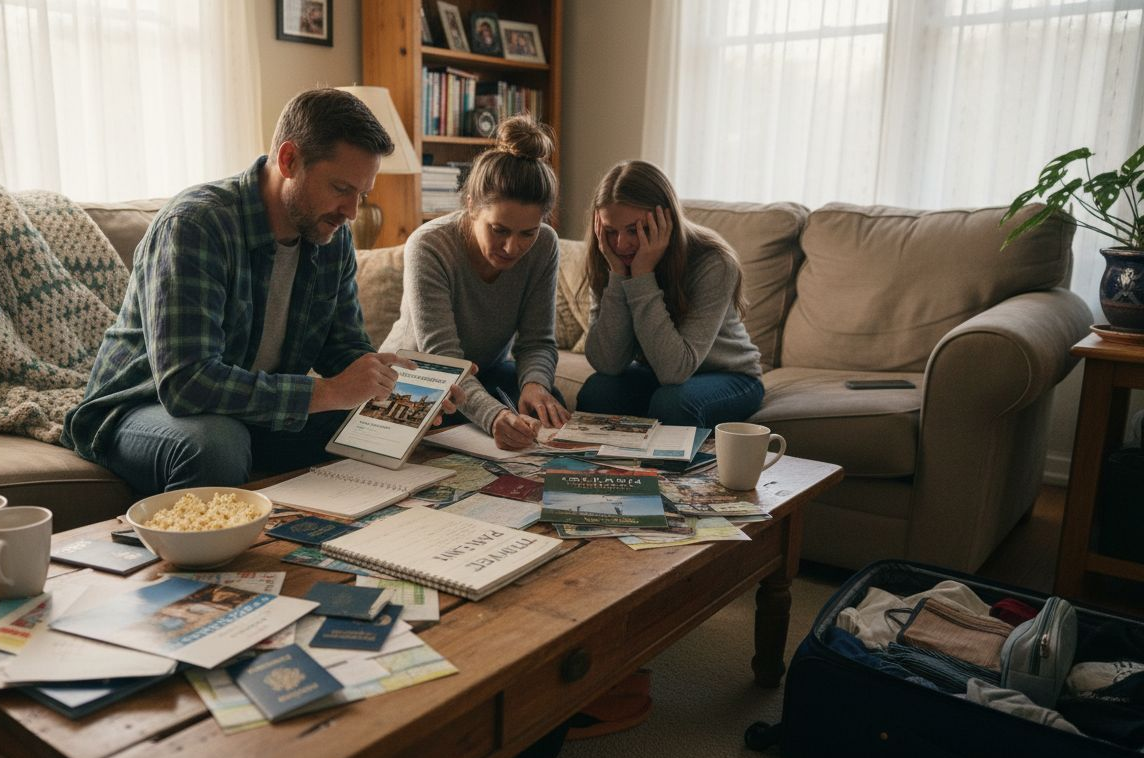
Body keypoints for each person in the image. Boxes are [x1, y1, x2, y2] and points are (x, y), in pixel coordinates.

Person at [62, 88, 459, 495]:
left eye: (362, 195)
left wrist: (394, 384)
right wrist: (326, 392)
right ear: (289, 160)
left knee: (386, 426)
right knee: (216, 446)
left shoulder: (330, 235)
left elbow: (342, 349)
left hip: (250, 410)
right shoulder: (196, 226)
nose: (352, 212)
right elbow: (187, 383)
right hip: (141, 407)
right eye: (341, 188)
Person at [379, 115, 568, 450]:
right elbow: (443, 359)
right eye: (499, 230)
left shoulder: (546, 246)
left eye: (528, 233)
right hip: (419, 377)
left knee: (546, 403)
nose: (513, 248)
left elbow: (538, 340)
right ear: (471, 206)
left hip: (487, 373)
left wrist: (536, 384)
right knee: (454, 414)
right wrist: (494, 416)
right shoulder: (430, 246)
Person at [577, 160, 763, 427]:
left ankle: (661, 470)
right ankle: (601, 469)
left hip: (731, 376)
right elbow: (607, 364)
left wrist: (642, 276)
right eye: (610, 231)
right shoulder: (609, 256)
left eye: (634, 229)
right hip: (657, 372)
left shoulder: (714, 262)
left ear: (666, 219)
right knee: (598, 391)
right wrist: (618, 277)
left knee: (673, 402)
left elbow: (675, 370)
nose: (621, 244)